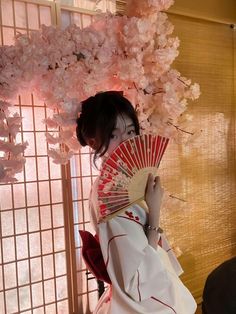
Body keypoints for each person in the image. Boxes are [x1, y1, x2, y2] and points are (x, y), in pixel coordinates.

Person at [76, 91, 197, 314]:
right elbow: (136, 276)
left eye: (131, 131)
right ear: (94, 142)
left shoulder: (120, 185)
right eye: (114, 135)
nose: (126, 142)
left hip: (147, 288)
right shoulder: (108, 196)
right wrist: (155, 210)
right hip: (139, 300)